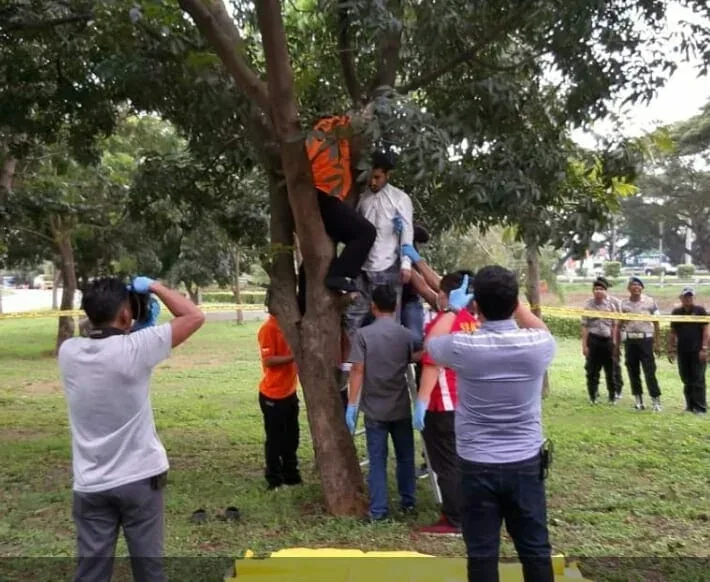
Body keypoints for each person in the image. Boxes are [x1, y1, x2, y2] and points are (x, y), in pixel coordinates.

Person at [58, 276, 205, 582]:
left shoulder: (68, 352)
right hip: (140, 480)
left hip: (90, 484)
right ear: (126, 315)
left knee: (91, 573)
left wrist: (126, 325)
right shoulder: (139, 348)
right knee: (149, 571)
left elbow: (99, 335)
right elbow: (194, 316)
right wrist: (154, 286)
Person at [425, 266, 556, 582]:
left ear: (476, 305)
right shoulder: (538, 346)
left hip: (477, 465)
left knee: (482, 554)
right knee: (535, 549)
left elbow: (432, 345)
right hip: (524, 463)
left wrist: (452, 308)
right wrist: (515, 305)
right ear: (514, 304)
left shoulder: (464, 347)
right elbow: (542, 329)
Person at [346, 284, 422, 521]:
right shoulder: (406, 335)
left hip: (374, 409)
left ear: (373, 307)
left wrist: (351, 405)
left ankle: (378, 510)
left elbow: (357, 370)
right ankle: (408, 501)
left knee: (377, 460)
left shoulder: (363, 335)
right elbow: (417, 355)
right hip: (400, 406)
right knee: (405, 456)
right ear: (396, 306)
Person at [413, 271, 479, 535]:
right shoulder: (471, 321)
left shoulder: (442, 322)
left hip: (441, 403)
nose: (436, 297)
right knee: (461, 461)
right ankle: (466, 511)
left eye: (439, 292)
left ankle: (454, 519)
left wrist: (421, 402)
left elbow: (432, 360)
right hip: (464, 401)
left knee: (445, 464)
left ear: (448, 296)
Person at [304, 115, 377, 296]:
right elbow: (307, 156)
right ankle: (339, 275)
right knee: (366, 232)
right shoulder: (328, 129)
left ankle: (304, 300)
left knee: (317, 254)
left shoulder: (341, 138)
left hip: (326, 195)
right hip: (321, 194)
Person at [344, 151, 414, 335]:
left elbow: (408, 231)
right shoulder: (363, 198)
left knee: (388, 318)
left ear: (387, 176)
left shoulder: (400, 199)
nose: (373, 182)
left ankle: (390, 360)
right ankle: (352, 361)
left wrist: (406, 264)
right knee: (353, 316)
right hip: (362, 267)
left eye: (377, 177)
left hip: (387, 266)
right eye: (370, 177)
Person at [257, 291, 302, 490]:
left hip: (290, 392)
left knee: (292, 437)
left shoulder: (290, 325)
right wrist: (293, 357)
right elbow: (268, 360)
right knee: (275, 440)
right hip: (272, 395)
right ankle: (274, 479)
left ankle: (291, 475)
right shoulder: (269, 328)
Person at [615, 277, 662, 411]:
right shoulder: (623, 304)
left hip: (646, 340)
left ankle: (656, 401)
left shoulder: (650, 302)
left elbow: (657, 322)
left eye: (638, 285)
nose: (636, 287)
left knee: (649, 371)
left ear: (642, 288)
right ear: (628, 288)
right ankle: (638, 401)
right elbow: (619, 324)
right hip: (630, 341)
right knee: (632, 371)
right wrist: (617, 344)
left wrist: (657, 342)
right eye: (633, 285)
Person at [668, 287, 709, 415]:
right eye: (685, 296)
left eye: (690, 296)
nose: (688, 299)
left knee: (698, 378)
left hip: (697, 350)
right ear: (681, 298)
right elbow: (673, 332)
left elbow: (706, 331)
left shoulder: (700, 311)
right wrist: (671, 349)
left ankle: (700, 407)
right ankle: (690, 405)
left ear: (693, 298)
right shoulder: (676, 312)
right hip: (683, 351)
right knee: (686, 378)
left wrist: (704, 348)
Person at [581, 277, 619, 404]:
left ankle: (612, 396)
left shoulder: (611, 306)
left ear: (606, 291)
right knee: (592, 370)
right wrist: (584, 346)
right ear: (593, 291)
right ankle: (593, 396)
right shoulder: (588, 305)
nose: (599, 291)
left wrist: (614, 341)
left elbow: (614, 325)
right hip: (593, 340)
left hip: (607, 341)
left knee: (610, 370)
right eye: (596, 289)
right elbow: (585, 326)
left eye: (601, 289)